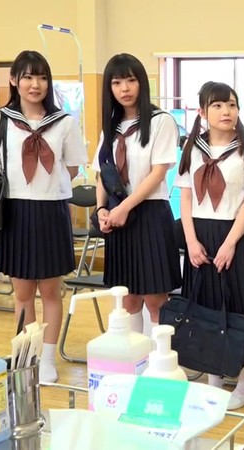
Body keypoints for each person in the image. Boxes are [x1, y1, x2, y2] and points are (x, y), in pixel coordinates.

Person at [0, 50, 88, 383]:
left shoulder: (64, 122)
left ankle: (47, 359)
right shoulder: (0, 119)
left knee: (50, 291)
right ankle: (27, 357)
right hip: (15, 210)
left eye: (42, 77)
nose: (36, 84)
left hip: (51, 211)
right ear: (14, 80)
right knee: (22, 293)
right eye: (29, 77)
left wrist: (48, 186)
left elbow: (73, 168)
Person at [174, 81, 244, 410]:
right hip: (199, 235)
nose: (226, 111)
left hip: (235, 236)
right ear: (202, 112)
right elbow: (186, 197)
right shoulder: (192, 147)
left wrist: (229, 244)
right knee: (205, 310)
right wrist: (190, 241)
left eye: (231, 104)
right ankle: (214, 382)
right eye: (217, 105)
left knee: (241, 313)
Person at [92, 53, 181, 335]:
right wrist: (101, 209)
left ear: (142, 82)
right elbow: (102, 172)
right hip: (118, 218)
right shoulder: (110, 128)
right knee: (127, 298)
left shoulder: (160, 121)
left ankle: (158, 358)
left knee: (155, 299)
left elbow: (158, 173)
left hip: (150, 215)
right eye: (117, 83)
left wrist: (124, 208)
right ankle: (134, 358)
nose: (124, 89)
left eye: (130, 80)